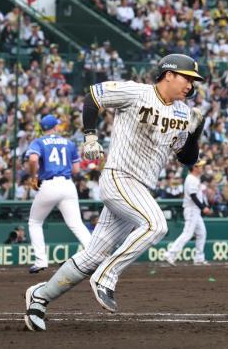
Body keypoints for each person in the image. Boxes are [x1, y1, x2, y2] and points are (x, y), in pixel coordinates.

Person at [24, 53, 206, 332]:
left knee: (91, 255)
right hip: (119, 176)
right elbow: (93, 97)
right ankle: (106, 278)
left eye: (194, 82)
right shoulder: (137, 92)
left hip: (139, 188)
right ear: (169, 74)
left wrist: (195, 133)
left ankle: (40, 297)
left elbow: (187, 159)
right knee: (156, 226)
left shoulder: (182, 112)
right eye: (187, 78)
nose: (191, 86)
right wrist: (90, 135)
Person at [25, 114, 92, 274]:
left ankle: (41, 261)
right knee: (76, 223)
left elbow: (33, 159)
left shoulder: (39, 141)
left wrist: (33, 177)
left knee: (35, 222)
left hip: (49, 184)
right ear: (54, 127)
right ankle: (93, 255)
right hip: (68, 184)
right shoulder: (68, 143)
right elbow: (76, 170)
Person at [164, 162, 211, 266]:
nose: (202, 168)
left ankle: (199, 258)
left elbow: (198, 196)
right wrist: (203, 208)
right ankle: (170, 254)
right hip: (191, 210)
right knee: (187, 233)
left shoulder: (195, 178)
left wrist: (203, 207)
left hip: (195, 210)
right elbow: (193, 196)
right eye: (200, 166)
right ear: (194, 167)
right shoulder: (190, 179)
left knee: (201, 233)